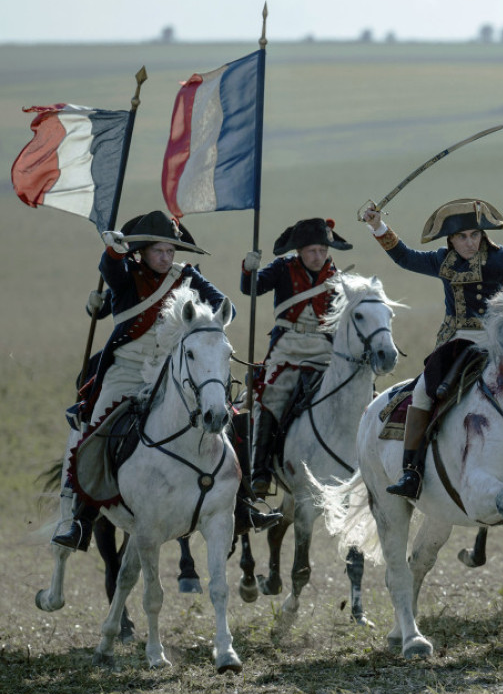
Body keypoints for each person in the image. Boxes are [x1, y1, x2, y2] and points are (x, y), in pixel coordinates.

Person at [53, 211, 280, 550]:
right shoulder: (126, 276)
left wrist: (217, 316)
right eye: (158, 251)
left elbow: (219, 305)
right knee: (98, 430)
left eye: (170, 251)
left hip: (171, 372)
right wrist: (113, 252)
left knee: (227, 418)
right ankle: (82, 520)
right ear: (141, 252)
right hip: (126, 372)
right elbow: (110, 268)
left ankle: (242, 504)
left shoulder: (186, 276)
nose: (165, 257)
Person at [362, 198, 503, 499]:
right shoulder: (441, 261)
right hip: (455, 342)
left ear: (483, 235)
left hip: (494, 342)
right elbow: (405, 258)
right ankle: (412, 472)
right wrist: (377, 226)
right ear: (451, 239)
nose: (470, 242)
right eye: (462, 237)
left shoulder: (499, 259)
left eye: (475, 235)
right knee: (421, 392)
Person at [241, 217, 352, 497]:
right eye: (312, 251)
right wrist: (248, 270)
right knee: (272, 397)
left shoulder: (336, 276)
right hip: (288, 347)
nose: (319, 257)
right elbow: (251, 289)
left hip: (325, 349)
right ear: (300, 251)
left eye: (323, 251)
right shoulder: (282, 268)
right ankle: (261, 471)